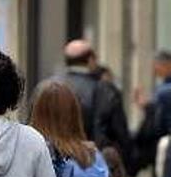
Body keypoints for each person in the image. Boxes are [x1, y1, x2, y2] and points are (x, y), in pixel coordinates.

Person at [55, 39, 133, 170]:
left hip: (56, 166)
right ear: (90, 60)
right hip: (94, 165)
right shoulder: (106, 90)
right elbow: (120, 135)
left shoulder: (48, 88)